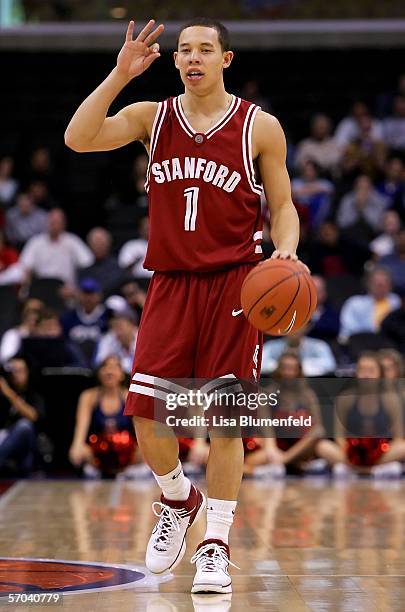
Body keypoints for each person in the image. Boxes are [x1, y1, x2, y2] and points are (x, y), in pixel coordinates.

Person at [65, 18, 304, 594]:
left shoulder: (259, 127)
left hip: (236, 287)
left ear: (226, 58)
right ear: (175, 62)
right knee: (147, 416)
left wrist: (287, 254)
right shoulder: (153, 117)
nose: (193, 57)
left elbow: (284, 205)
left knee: (226, 423)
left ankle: (215, 546)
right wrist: (119, 75)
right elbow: (78, 137)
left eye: (205, 49)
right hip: (171, 282)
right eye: (184, 50)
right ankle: (178, 496)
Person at [244, 352, 333, 477]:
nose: (288, 373)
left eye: (292, 369)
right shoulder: (267, 395)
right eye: (285, 368)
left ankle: (285, 463)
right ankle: (297, 466)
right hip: (277, 445)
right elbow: (266, 427)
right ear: (278, 370)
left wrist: (285, 458)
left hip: (301, 447)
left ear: (299, 371)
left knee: (326, 446)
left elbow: (318, 428)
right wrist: (271, 447)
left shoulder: (308, 395)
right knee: (251, 460)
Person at [331, 352, 405, 478]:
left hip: (382, 452)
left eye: (371, 371)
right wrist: (351, 452)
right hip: (351, 452)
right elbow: (338, 435)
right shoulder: (345, 398)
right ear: (356, 374)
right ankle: (375, 470)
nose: (366, 375)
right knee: (322, 447)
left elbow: (398, 437)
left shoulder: (391, 400)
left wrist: (378, 454)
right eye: (362, 370)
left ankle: (357, 470)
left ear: (380, 374)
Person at [69, 355, 137, 478]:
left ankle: (126, 471)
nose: (109, 372)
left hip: (127, 456)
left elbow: (140, 434)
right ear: (99, 373)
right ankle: (99, 470)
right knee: (77, 453)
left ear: (122, 374)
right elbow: (80, 432)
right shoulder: (89, 397)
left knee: (148, 451)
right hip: (97, 455)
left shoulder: (129, 397)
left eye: (114, 367)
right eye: (105, 367)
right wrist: (77, 448)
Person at [19, 208, 94, 288]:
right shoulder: (35, 242)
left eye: (57, 222)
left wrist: (77, 287)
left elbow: (88, 263)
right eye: (52, 222)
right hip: (41, 287)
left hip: (66, 288)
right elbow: (25, 266)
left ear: (63, 224)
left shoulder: (73, 241)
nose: (54, 226)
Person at [0, 357, 44, 476]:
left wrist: (9, 394)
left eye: (20, 371)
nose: (16, 375)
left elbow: (33, 416)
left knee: (24, 426)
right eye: (13, 371)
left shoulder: (34, 394)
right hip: (3, 439)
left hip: (26, 451)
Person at [339, 267, 400, 342]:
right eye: (377, 283)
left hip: (392, 344)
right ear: (368, 284)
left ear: (390, 285)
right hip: (363, 343)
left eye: (384, 283)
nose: (380, 286)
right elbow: (347, 329)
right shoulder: (354, 303)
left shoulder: (398, 302)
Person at [60, 277, 108, 365]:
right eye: (85, 293)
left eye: (92, 293)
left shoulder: (108, 316)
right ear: (78, 294)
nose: (88, 298)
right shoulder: (68, 317)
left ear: (99, 295)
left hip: (100, 363)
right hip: (75, 364)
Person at [261, 324, 336, 377]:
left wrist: (298, 367)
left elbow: (330, 365)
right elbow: (260, 366)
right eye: (290, 325)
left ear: (306, 327)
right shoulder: (270, 346)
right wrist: (283, 367)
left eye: (299, 325)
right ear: (282, 328)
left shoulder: (319, 345)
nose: (294, 329)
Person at [79, 227, 124, 296]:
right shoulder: (85, 272)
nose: (98, 247)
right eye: (95, 244)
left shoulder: (117, 268)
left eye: (101, 243)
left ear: (108, 244)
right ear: (89, 246)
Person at [0, 299, 43, 364]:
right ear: (23, 314)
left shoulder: (46, 335)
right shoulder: (13, 334)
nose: (34, 315)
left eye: (38, 312)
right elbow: (5, 360)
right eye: (30, 311)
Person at [118, 215, 153, 280]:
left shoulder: (161, 246)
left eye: (150, 226)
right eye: (145, 227)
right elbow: (123, 268)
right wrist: (135, 260)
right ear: (140, 229)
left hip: (156, 280)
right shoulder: (131, 245)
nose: (148, 229)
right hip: (136, 281)